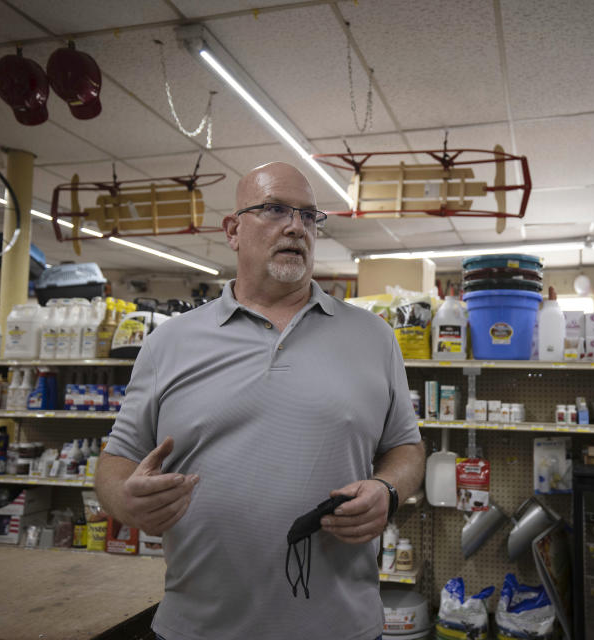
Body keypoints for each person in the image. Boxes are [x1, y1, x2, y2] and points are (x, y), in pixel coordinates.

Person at [95, 162, 426, 640]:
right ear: (233, 230)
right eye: (274, 209)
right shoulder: (169, 342)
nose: (296, 226)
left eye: (309, 216)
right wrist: (126, 502)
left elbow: (406, 448)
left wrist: (389, 490)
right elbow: (114, 464)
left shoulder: (373, 337)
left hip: (343, 628)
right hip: (197, 628)